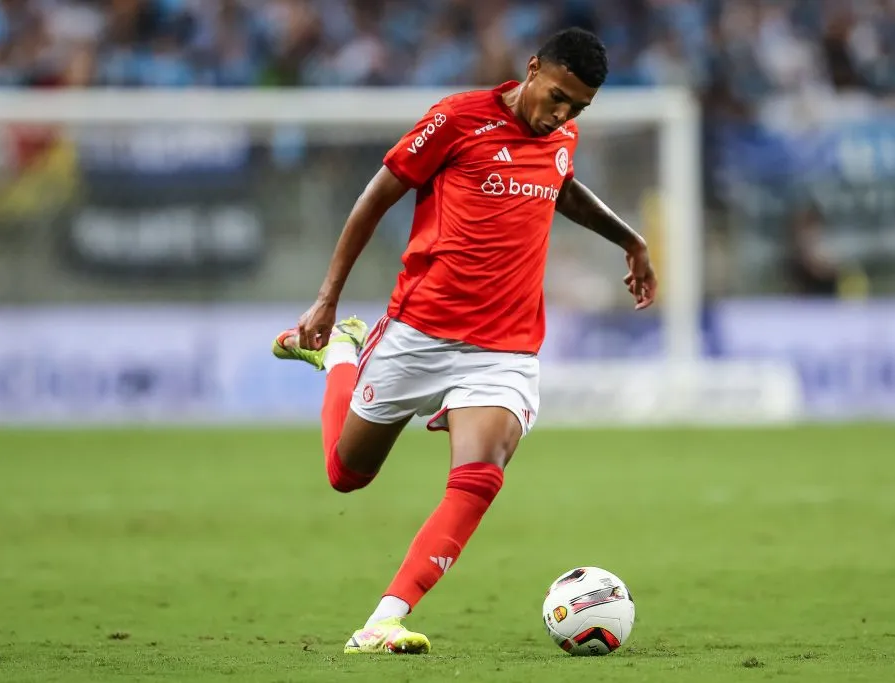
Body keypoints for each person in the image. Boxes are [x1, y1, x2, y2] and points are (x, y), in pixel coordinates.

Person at [272, 27, 657, 654]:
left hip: (504, 348)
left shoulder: (560, 134)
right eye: (556, 96)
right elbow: (376, 197)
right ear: (531, 70)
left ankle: (384, 620)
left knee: (481, 471)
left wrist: (630, 240)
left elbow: (559, 184)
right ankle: (342, 350)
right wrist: (328, 297)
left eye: (577, 108)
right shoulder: (455, 120)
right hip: (417, 331)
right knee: (346, 475)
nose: (560, 114)